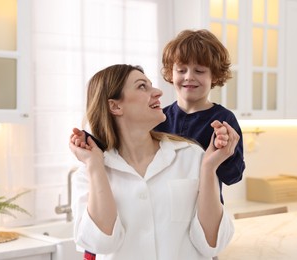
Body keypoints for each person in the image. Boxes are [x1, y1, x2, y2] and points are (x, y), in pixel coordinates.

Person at [69, 64, 234, 260]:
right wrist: (95, 166)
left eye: (151, 85)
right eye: (142, 86)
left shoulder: (192, 156)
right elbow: (101, 243)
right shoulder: (89, 173)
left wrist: (209, 168)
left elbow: (212, 244)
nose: (157, 92)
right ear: (115, 106)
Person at [155, 29, 245, 192]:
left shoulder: (224, 120)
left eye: (199, 71)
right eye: (181, 70)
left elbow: (234, 176)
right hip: (165, 211)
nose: (189, 76)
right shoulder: (158, 118)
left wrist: (225, 151)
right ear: (170, 73)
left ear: (215, 76)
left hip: (206, 212)